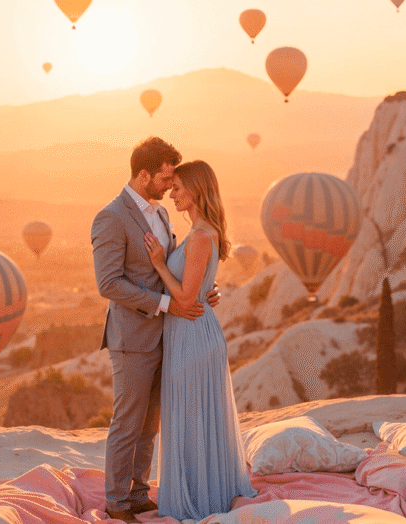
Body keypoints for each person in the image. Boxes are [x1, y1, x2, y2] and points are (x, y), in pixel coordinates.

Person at [91, 137, 219, 524]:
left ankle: (139, 492)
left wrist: (198, 291)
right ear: (143, 174)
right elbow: (108, 283)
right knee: (128, 421)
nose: (169, 185)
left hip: (170, 334)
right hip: (133, 338)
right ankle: (116, 501)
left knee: (150, 423)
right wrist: (169, 304)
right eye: (164, 178)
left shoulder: (161, 215)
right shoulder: (111, 217)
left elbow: (173, 267)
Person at [144, 160, 256, 521]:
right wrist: (210, 289)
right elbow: (201, 288)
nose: (172, 194)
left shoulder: (202, 235)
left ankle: (198, 498)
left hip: (192, 334)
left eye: (178, 187)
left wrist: (160, 264)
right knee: (193, 416)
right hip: (193, 333)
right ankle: (205, 488)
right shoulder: (200, 233)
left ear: (197, 189)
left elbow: (186, 299)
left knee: (190, 415)